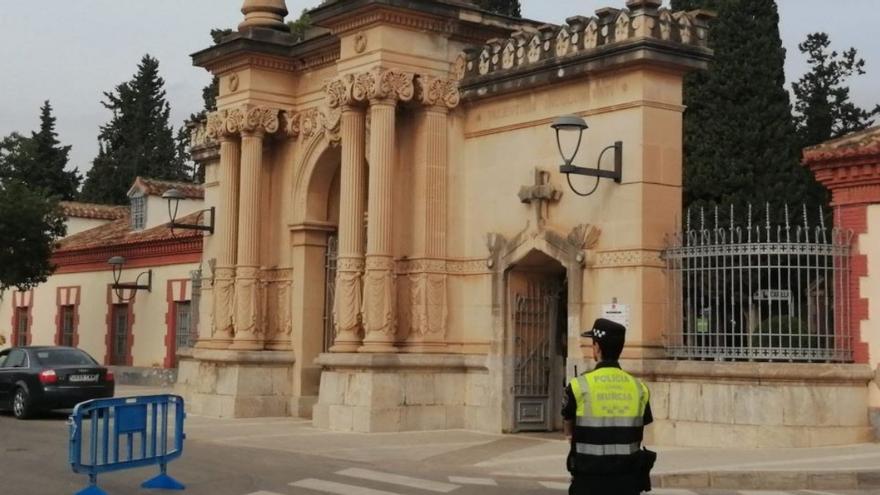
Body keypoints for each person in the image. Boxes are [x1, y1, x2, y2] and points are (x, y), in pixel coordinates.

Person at [561, 318, 654, 495]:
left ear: (596, 348)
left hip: (588, 481)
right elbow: (642, 426)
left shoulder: (579, 386)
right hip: (628, 482)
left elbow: (568, 425)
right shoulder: (639, 388)